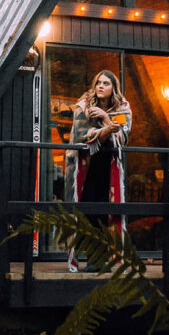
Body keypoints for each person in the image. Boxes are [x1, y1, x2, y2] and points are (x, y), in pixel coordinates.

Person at [66, 70, 132, 272]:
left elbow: (122, 137)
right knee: (85, 211)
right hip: (85, 165)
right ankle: (90, 257)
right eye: (98, 83)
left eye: (106, 83)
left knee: (107, 212)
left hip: (109, 164)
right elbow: (80, 136)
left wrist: (104, 117)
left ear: (113, 88)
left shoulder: (122, 107)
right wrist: (107, 128)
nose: (101, 86)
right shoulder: (84, 105)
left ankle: (105, 257)